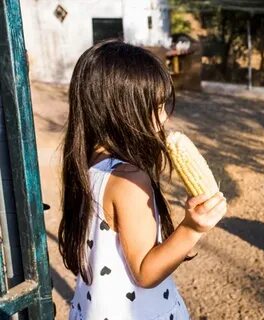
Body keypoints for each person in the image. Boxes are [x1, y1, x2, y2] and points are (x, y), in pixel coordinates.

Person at [58, 39, 227, 320]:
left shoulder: (87, 164)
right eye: (157, 107)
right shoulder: (129, 179)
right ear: (122, 111)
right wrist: (193, 228)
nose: (164, 120)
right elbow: (145, 272)